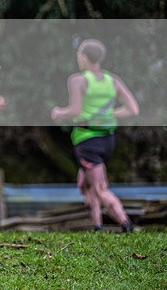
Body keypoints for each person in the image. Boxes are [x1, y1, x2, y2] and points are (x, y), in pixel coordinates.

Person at [51, 39, 139, 232]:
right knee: (84, 184)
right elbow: (133, 109)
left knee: (100, 188)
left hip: (88, 141)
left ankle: (126, 223)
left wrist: (58, 112)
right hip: (107, 140)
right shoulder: (113, 81)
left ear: (83, 57)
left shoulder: (78, 80)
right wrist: (109, 114)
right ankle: (97, 225)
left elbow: (75, 110)